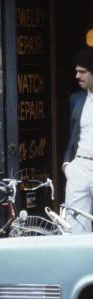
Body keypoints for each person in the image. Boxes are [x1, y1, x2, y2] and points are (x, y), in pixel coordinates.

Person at [62, 47, 93, 233]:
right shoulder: (76, 99)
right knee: (74, 226)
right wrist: (67, 164)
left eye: (82, 72)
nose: (77, 76)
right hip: (79, 166)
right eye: (76, 71)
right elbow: (73, 135)